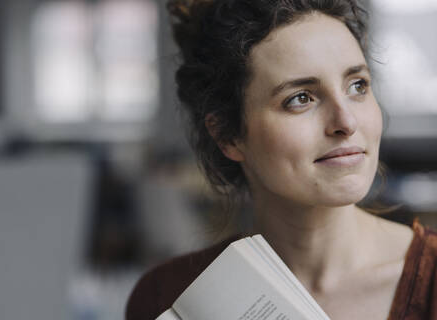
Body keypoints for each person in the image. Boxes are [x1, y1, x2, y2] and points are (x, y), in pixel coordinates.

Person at [126, 0, 437, 319]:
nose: (347, 122)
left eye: (357, 86)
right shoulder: (168, 297)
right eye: (300, 99)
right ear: (228, 136)